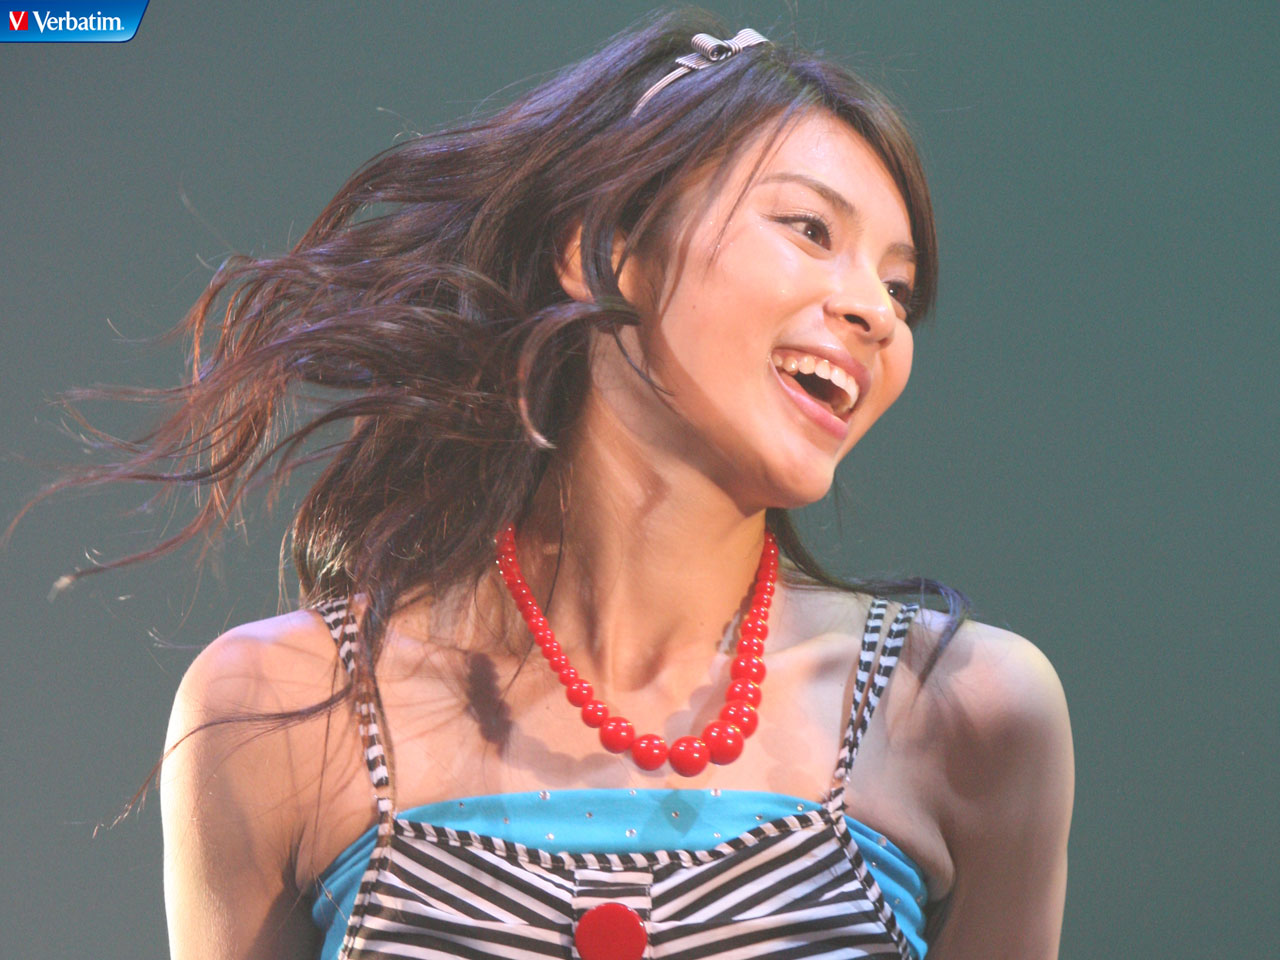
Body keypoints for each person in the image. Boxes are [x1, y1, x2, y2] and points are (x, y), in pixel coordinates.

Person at [46, 10, 1073, 959]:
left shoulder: (967, 716)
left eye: (899, 288)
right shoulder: (282, 710)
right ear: (603, 250)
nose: (876, 314)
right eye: (810, 229)